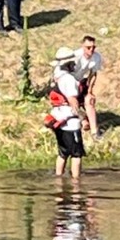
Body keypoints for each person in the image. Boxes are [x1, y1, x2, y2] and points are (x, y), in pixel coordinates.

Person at [45, 47, 85, 178]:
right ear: (68, 64)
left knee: (63, 153)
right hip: (70, 122)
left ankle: (58, 178)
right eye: (73, 63)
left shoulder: (57, 75)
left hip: (57, 119)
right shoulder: (69, 79)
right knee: (76, 154)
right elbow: (72, 100)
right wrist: (83, 118)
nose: (75, 64)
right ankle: (76, 181)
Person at [71, 35, 103, 139]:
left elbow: (93, 74)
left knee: (90, 101)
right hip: (70, 80)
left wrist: (90, 90)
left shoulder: (96, 57)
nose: (91, 50)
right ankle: (83, 119)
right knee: (73, 102)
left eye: (93, 47)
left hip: (82, 80)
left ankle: (94, 131)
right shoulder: (75, 56)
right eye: (88, 47)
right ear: (83, 47)